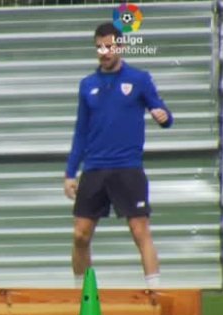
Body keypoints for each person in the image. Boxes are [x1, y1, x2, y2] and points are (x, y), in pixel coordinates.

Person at [64, 22, 173, 289]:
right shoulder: (87, 85)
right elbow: (81, 132)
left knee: (140, 231)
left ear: (120, 47)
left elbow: (163, 113)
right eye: (100, 47)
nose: (105, 52)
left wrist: (164, 116)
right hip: (94, 169)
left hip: (128, 168)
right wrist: (70, 173)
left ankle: (155, 293)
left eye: (110, 46)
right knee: (80, 235)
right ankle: (84, 295)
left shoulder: (139, 79)